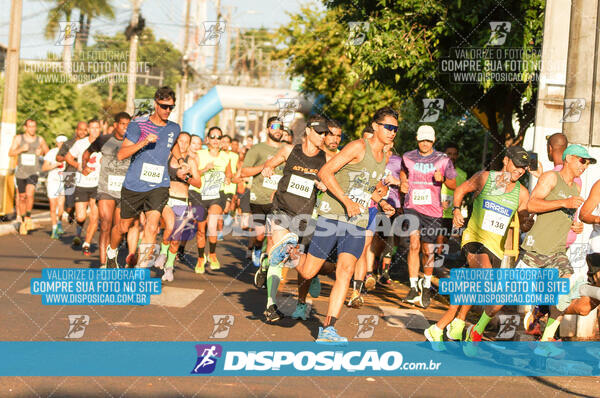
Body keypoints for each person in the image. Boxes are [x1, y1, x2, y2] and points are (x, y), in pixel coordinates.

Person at [466, 145, 593, 358]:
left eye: (587, 162)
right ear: (569, 158)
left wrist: (575, 225)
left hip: (557, 252)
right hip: (534, 250)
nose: (585, 165)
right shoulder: (551, 178)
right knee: (501, 300)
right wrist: (564, 202)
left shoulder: (576, 189)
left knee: (564, 292)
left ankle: (546, 340)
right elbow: (532, 204)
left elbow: (563, 215)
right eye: (582, 160)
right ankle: (477, 330)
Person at [295, 106, 397, 345]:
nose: (392, 132)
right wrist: (346, 200)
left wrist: (380, 200)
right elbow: (325, 172)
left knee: (346, 270)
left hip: (357, 221)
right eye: (388, 127)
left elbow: (365, 186)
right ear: (375, 126)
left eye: (395, 129)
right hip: (332, 215)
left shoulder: (386, 157)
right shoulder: (358, 147)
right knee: (309, 271)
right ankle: (288, 253)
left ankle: (328, 328)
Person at [424, 147, 532, 349]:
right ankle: (466, 330)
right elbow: (460, 190)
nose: (520, 171)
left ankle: (445, 327)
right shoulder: (485, 178)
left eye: (524, 168)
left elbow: (524, 221)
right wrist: (456, 210)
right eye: (517, 165)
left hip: (496, 249)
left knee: (486, 292)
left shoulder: (522, 193)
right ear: (506, 161)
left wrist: (528, 223)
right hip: (474, 240)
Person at [255, 115, 328, 323]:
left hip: (305, 217)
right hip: (282, 210)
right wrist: (268, 167)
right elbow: (270, 164)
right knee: (282, 249)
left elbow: (329, 179)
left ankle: (269, 262)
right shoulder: (290, 150)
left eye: (325, 133)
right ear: (308, 132)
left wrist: (324, 185)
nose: (323, 136)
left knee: (294, 256)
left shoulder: (325, 158)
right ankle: (270, 305)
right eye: (319, 132)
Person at [106, 86, 186, 268]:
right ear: (156, 104)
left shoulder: (174, 128)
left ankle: (139, 274)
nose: (167, 111)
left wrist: (181, 160)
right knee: (123, 227)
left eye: (171, 107)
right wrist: (144, 142)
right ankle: (112, 251)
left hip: (159, 185)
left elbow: (172, 144)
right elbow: (121, 154)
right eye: (164, 106)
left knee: (152, 227)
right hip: (134, 184)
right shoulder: (138, 125)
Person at [401, 125, 457, 308]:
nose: (425, 144)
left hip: (432, 210)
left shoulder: (443, 159)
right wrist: (403, 180)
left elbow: (453, 183)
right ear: (417, 140)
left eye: (428, 141)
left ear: (433, 141)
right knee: (414, 244)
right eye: (422, 140)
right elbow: (403, 171)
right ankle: (411, 286)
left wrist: (443, 179)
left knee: (428, 250)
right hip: (412, 206)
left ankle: (425, 285)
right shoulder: (408, 156)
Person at [84, 112, 132, 267]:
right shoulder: (104, 140)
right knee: (105, 223)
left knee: (118, 229)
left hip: (124, 191)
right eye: (123, 124)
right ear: (116, 125)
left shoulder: (132, 142)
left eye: (128, 124)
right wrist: (85, 165)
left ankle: (112, 256)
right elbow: (87, 152)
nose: (125, 127)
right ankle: (104, 263)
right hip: (106, 188)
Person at [156, 132, 202, 281]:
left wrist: (186, 177)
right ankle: (163, 254)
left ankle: (169, 268)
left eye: (185, 142)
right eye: (180, 141)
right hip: (167, 198)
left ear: (189, 144)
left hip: (182, 200)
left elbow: (198, 183)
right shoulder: (168, 157)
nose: (182, 144)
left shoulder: (191, 161)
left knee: (176, 239)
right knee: (169, 227)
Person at [240, 117, 285, 267]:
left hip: (277, 200)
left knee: (271, 236)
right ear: (267, 130)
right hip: (259, 198)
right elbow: (244, 171)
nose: (278, 130)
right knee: (259, 235)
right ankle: (257, 248)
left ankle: (268, 268)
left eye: (281, 127)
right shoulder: (257, 149)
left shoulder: (287, 150)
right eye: (274, 127)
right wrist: (265, 166)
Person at [189, 127, 232, 273]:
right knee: (201, 230)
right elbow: (192, 175)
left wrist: (228, 179)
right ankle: (201, 258)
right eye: (212, 137)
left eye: (218, 137)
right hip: (199, 194)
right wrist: (204, 170)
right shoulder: (199, 154)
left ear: (221, 141)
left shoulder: (226, 157)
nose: (215, 140)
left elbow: (229, 175)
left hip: (216, 195)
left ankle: (212, 254)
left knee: (212, 225)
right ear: (207, 139)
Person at [65, 119, 102, 255]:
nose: (95, 130)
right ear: (88, 130)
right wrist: (78, 166)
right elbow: (68, 157)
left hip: (98, 185)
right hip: (82, 183)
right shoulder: (81, 143)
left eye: (97, 128)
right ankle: (79, 226)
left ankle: (86, 243)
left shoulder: (104, 143)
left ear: (100, 129)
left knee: (94, 216)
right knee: (80, 217)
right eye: (92, 128)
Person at [8, 119, 49, 235]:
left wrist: (40, 152)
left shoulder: (39, 139)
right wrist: (21, 149)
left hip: (33, 172)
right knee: (21, 197)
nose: (32, 129)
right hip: (21, 172)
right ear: (25, 128)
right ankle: (21, 220)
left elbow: (48, 152)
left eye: (34, 126)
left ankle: (28, 217)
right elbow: (10, 153)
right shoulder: (18, 138)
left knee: (30, 194)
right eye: (30, 126)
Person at [56, 121, 88, 225]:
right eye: (80, 129)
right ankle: (70, 212)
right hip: (69, 175)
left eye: (85, 130)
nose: (82, 132)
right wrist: (69, 157)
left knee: (80, 203)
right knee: (69, 204)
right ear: (76, 130)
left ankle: (78, 220)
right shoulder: (68, 143)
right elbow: (58, 157)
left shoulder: (89, 143)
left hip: (84, 176)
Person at [42, 135, 68, 239]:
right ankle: (54, 229)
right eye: (59, 142)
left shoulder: (69, 154)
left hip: (64, 181)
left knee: (61, 206)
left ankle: (59, 222)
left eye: (63, 142)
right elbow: (44, 167)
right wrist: (55, 165)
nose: (61, 144)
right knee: (53, 205)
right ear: (57, 143)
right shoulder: (51, 153)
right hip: (53, 181)